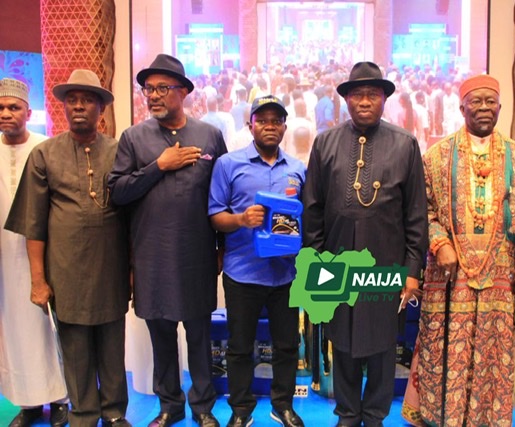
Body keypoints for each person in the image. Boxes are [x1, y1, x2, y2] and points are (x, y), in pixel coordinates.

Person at [403, 74, 515, 426]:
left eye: (489, 101)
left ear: (500, 107)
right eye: (475, 102)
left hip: (499, 275)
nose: (483, 108)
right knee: (445, 347)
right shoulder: (436, 156)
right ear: (461, 107)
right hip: (449, 277)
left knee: (493, 350)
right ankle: (441, 416)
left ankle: (485, 418)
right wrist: (440, 243)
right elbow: (421, 211)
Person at [303, 61, 428, 427]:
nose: (364, 101)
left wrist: (412, 272)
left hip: (387, 265)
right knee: (341, 339)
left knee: (382, 343)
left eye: (372, 94)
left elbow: (416, 217)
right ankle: (347, 413)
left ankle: (374, 414)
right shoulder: (325, 143)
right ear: (345, 99)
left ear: (384, 99)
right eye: (357, 94)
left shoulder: (405, 144)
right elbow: (312, 210)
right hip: (336, 264)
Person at [4, 70, 131, 426]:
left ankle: (115, 412)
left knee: (112, 346)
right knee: (75, 351)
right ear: (62, 107)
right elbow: (34, 224)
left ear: (100, 109)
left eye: (87, 99)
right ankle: (85, 414)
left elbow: (133, 217)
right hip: (66, 271)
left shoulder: (120, 151)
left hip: (111, 267)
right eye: (71, 99)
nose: (78, 106)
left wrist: (133, 270)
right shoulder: (44, 155)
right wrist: (38, 280)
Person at [108, 54, 227, 427]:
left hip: (197, 255)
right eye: (148, 89)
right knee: (161, 335)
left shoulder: (209, 135)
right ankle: (169, 405)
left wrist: (222, 248)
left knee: (198, 335)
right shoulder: (133, 138)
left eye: (162, 88)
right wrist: (159, 165)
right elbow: (118, 192)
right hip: (151, 256)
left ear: (184, 92)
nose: (153, 96)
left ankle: (203, 407)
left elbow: (222, 194)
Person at [208, 95, 306, 427]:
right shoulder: (228, 164)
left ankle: (283, 405)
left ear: (284, 127)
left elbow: (308, 219)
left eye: (276, 121)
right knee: (239, 348)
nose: (269, 126)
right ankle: (241, 410)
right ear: (251, 125)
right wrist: (240, 220)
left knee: (287, 346)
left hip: (285, 275)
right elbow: (214, 216)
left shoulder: (298, 169)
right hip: (242, 273)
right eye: (262, 120)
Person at [0, 78, 69, 427]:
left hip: (45, 255)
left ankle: (60, 399)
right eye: (0, 108)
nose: (6, 114)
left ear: (29, 112)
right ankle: (28, 403)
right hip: (4, 261)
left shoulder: (46, 149)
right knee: (12, 329)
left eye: (13, 108)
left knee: (50, 327)